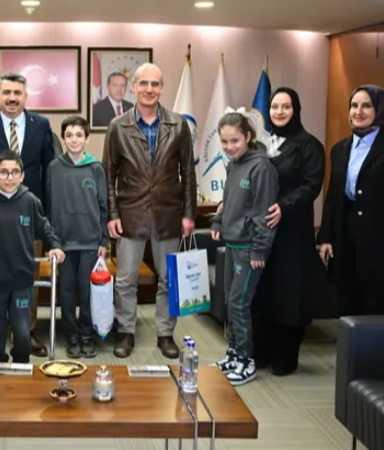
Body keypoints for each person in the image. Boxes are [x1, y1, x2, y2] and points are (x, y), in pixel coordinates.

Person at [102, 63, 196, 359]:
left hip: (168, 213)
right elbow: (108, 175)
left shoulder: (178, 124)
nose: (149, 89)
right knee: (126, 279)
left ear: (162, 88)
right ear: (134, 87)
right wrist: (112, 214)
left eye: (155, 84)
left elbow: (188, 173)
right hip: (130, 213)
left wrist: (189, 213)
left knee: (168, 279)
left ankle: (165, 334)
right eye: (143, 83)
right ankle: (126, 332)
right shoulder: (118, 126)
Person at [318, 85, 384, 317]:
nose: (358, 111)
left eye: (366, 106)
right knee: (347, 309)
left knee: (378, 312)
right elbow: (333, 197)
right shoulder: (339, 149)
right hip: (346, 239)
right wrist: (325, 237)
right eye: (354, 105)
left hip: (383, 240)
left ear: (380, 109)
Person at [0, 72, 56, 356]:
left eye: (17, 93)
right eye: (6, 92)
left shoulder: (41, 125)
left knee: (27, 273)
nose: (11, 98)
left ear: (25, 96)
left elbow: (49, 169)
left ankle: (26, 332)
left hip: (29, 213)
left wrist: (47, 212)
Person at [0, 151, 65, 363]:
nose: (10, 177)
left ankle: (21, 362)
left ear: (22, 176)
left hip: (22, 280)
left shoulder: (30, 200)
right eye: (4, 172)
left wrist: (54, 246)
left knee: (23, 332)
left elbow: (44, 228)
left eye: (15, 172)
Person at [250, 88, 325, 377]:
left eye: (286, 106)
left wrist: (284, 206)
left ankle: (285, 357)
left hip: (292, 232)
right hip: (263, 232)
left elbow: (312, 186)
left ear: (296, 110)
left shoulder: (309, 145)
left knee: (288, 293)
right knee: (263, 291)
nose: (279, 112)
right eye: (275, 107)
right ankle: (261, 352)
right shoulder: (262, 143)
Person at [210, 111, 279, 386]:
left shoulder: (261, 167)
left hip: (250, 248)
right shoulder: (233, 165)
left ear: (248, 137)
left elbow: (264, 213)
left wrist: (260, 250)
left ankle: (246, 360)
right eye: (224, 142)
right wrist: (218, 221)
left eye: (235, 141)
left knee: (239, 303)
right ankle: (233, 353)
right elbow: (227, 201)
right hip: (232, 244)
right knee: (230, 301)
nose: (229, 147)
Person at [46, 116, 108, 358]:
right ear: (63, 139)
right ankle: (71, 335)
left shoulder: (96, 168)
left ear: (87, 139)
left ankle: (86, 334)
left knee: (88, 291)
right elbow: (49, 206)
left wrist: (103, 240)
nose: (74, 140)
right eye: (69, 135)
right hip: (63, 242)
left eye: (79, 135)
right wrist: (52, 241)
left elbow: (103, 207)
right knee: (67, 291)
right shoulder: (54, 168)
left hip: (90, 240)